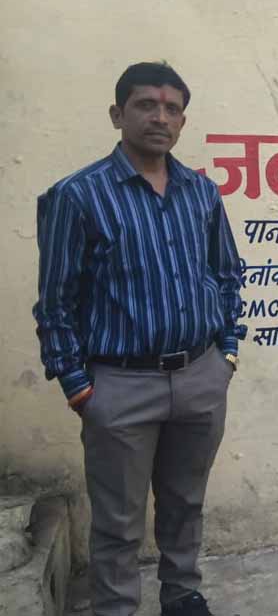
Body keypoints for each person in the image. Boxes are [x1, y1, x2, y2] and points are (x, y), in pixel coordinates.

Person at [32, 62, 244, 616]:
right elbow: (55, 301)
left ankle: (182, 593)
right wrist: (79, 386)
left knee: (185, 502)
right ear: (117, 114)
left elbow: (226, 273)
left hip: (199, 376)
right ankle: (116, 608)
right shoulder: (78, 196)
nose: (160, 117)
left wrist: (226, 352)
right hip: (120, 385)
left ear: (183, 122)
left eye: (172, 108)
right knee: (118, 521)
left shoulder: (201, 192)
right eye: (146, 104)